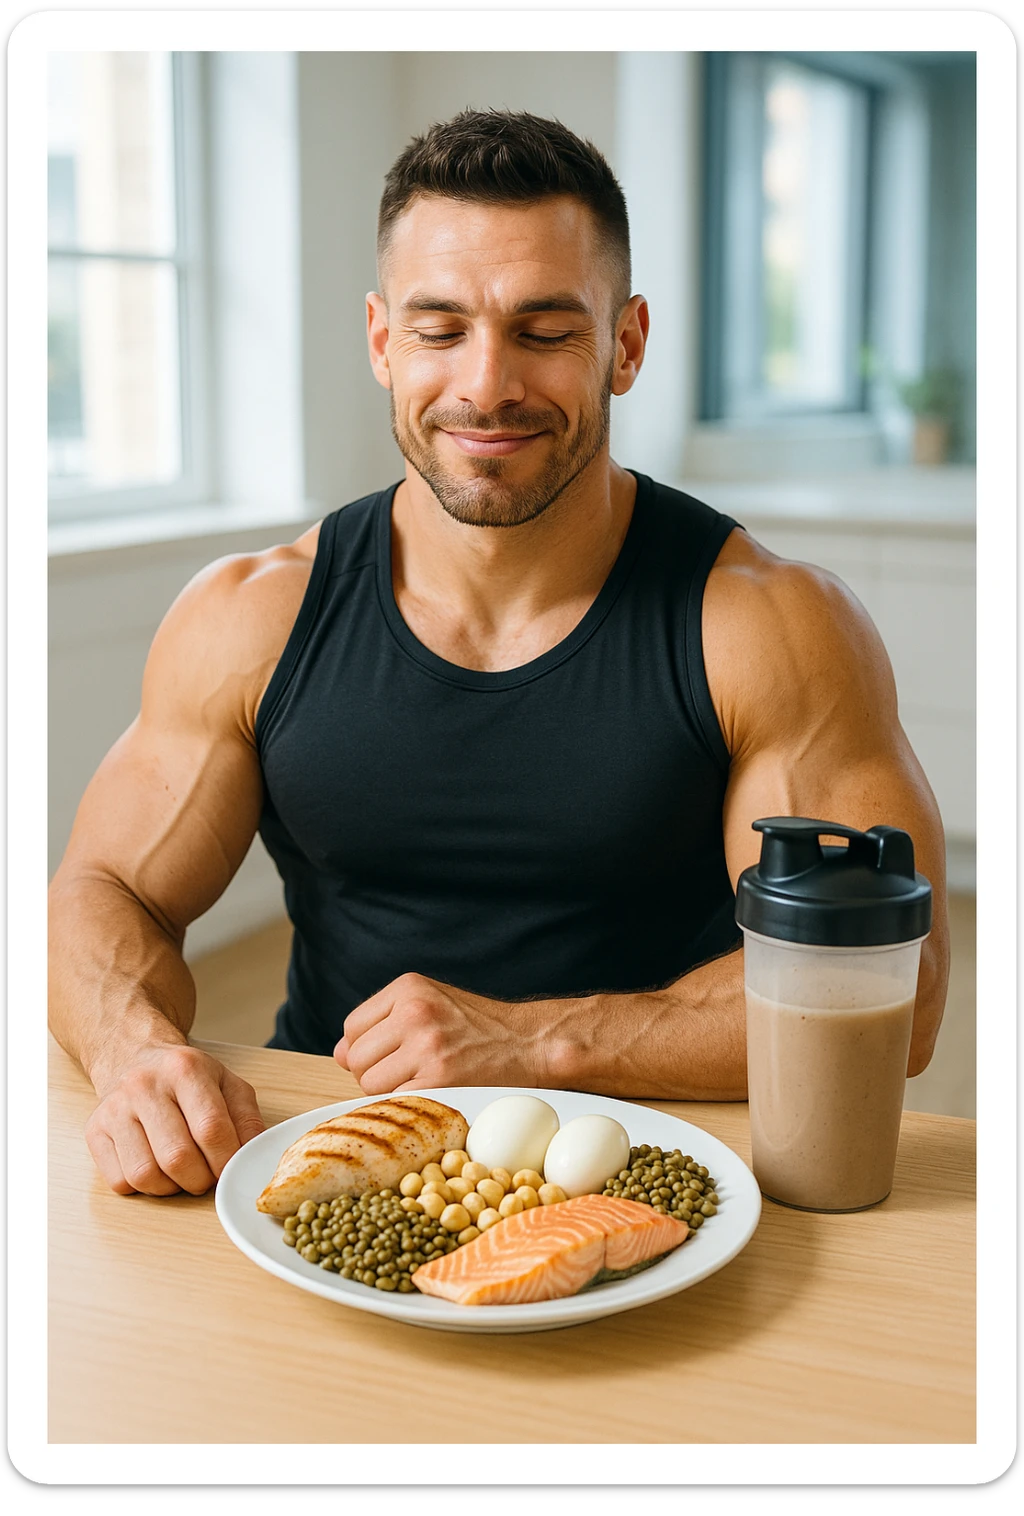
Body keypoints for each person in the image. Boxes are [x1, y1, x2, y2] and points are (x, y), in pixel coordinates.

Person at [48, 109, 950, 1199]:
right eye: (440, 330)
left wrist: (535, 1043)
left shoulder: (768, 625)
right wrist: (130, 1046)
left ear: (624, 343)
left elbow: (892, 991)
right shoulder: (252, 616)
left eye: (544, 330)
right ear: (382, 341)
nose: (486, 385)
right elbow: (105, 888)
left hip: (658, 1169)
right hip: (347, 1161)